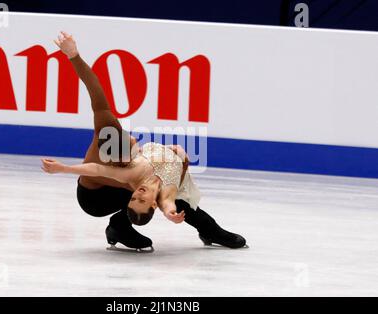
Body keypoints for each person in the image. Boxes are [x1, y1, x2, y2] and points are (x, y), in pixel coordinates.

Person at [45, 32, 247, 252]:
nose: (135, 143)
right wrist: (63, 168)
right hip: (94, 199)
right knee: (160, 193)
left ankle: (207, 229)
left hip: (120, 182)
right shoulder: (119, 164)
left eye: (132, 145)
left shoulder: (119, 142)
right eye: (132, 147)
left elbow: (95, 90)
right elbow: (94, 168)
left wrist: (74, 55)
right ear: (117, 159)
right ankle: (121, 228)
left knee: (155, 186)